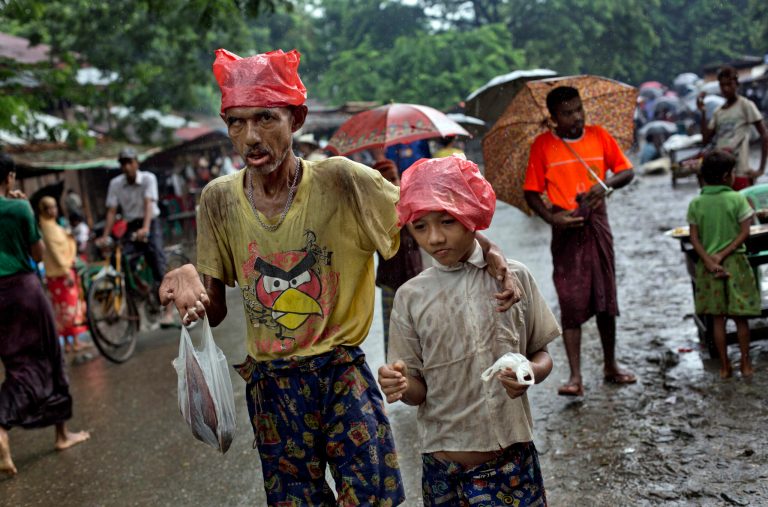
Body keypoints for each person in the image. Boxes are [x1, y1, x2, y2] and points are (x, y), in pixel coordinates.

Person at [158, 48, 519, 505]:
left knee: (372, 497)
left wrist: (490, 249)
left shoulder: (343, 180)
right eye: (236, 122)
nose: (250, 136)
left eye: (266, 118)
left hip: (341, 371)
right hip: (272, 386)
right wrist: (187, 281)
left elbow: (426, 211)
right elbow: (214, 309)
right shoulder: (218, 200)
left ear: (298, 119)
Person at [378, 155, 560, 506]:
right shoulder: (411, 297)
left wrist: (529, 373)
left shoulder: (513, 278)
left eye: (448, 221)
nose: (434, 237)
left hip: (511, 462)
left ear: (471, 215)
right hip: (444, 469)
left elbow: (542, 354)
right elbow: (418, 391)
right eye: (420, 226)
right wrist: (400, 384)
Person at [523, 85, 637, 397]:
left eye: (578, 109)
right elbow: (530, 193)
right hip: (565, 227)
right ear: (554, 117)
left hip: (598, 221)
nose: (576, 117)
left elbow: (627, 172)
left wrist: (606, 185)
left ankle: (611, 365)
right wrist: (552, 218)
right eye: (567, 113)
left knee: (605, 295)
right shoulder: (543, 146)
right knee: (571, 299)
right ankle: (575, 377)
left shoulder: (599, 135)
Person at [0, 153, 90, 477]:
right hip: (23, 291)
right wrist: (22, 210)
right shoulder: (19, 208)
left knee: (15, 364)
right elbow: (36, 252)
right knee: (50, 358)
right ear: (9, 177)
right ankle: (59, 434)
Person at [687, 150, 759, 378]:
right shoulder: (737, 199)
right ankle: (746, 365)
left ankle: (725, 366)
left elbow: (694, 239)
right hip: (735, 263)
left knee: (717, 319)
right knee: (740, 318)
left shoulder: (696, 203)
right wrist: (723, 255)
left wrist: (709, 260)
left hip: (708, 269)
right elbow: (745, 232)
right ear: (727, 175)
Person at [371, 159, 423, 355]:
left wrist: (407, 214)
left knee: (422, 332)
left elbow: (422, 238)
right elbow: (380, 246)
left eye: (395, 178)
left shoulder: (411, 205)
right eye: (387, 181)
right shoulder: (375, 213)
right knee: (394, 336)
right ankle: (395, 374)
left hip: (417, 279)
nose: (394, 184)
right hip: (390, 284)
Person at [98, 147, 166, 293]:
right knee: (122, 259)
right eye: (123, 163)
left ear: (137, 163)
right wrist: (105, 236)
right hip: (132, 225)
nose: (126, 167)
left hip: (150, 223)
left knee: (156, 257)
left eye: (129, 162)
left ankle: (168, 302)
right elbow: (111, 211)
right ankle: (138, 293)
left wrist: (146, 229)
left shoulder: (148, 178)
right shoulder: (115, 184)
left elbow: (149, 203)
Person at [698, 66, 768, 190]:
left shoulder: (745, 105)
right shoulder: (718, 112)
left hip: (740, 170)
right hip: (720, 174)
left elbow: (764, 134)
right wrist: (703, 112)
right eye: (722, 85)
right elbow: (705, 139)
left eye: (729, 84)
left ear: (736, 84)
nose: (726, 88)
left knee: (743, 206)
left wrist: (761, 169)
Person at [38, 196, 89, 352]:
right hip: (61, 274)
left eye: (55, 206)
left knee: (67, 308)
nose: (54, 210)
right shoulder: (47, 228)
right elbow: (55, 252)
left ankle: (72, 342)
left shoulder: (54, 225)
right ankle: (71, 342)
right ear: (43, 210)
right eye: (50, 208)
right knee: (67, 309)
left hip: (62, 272)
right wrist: (66, 271)